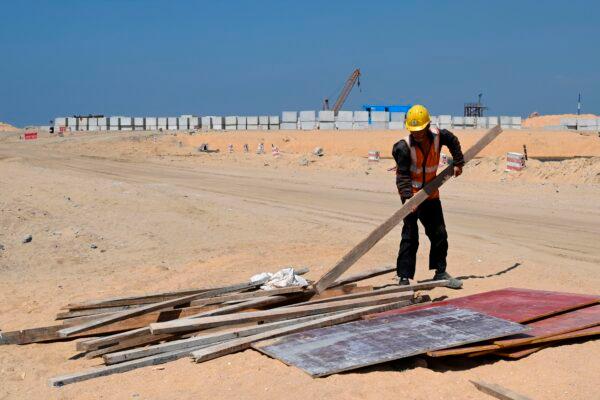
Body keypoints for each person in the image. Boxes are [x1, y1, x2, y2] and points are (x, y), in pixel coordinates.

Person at [392, 105, 464, 289]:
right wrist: (408, 198)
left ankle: (440, 272)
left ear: (428, 125)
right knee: (410, 236)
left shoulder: (439, 135)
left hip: (431, 193)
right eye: (413, 131)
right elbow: (402, 176)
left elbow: (453, 141)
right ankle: (404, 278)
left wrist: (458, 162)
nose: (417, 134)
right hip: (412, 196)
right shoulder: (403, 147)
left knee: (439, 233)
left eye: (420, 130)